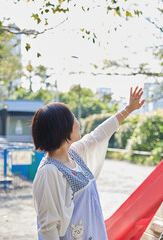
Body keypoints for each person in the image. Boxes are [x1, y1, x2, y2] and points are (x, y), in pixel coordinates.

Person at [32, 87, 145, 240]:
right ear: (61, 128)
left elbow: (99, 134)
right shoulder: (49, 171)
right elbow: (48, 227)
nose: (77, 123)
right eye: (73, 119)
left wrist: (128, 109)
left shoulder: (74, 153)